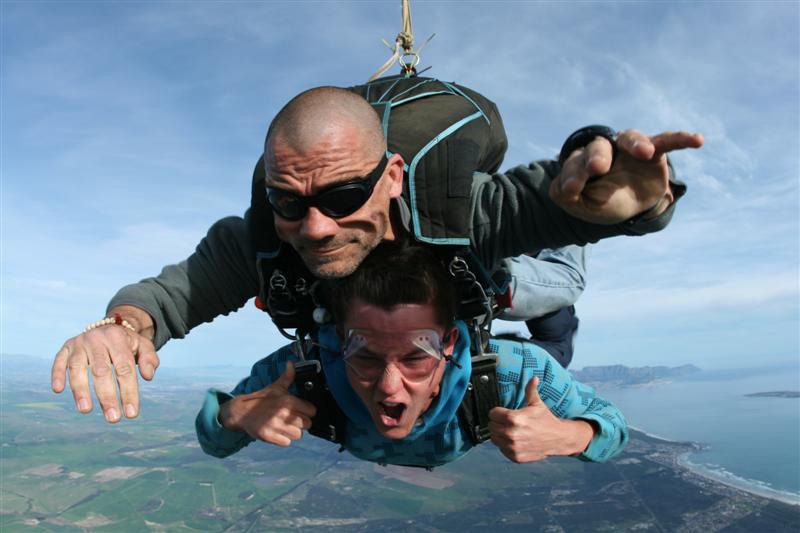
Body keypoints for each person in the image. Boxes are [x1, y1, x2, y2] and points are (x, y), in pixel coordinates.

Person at [51, 80, 704, 424]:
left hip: (493, 278)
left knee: (544, 289)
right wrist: (121, 326)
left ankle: (531, 304)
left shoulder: (461, 209)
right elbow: (170, 295)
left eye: (343, 196)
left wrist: (633, 197)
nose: (315, 228)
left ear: (392, 177)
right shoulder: (258, 240)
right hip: (438, 299)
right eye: (288, 202)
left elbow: (553, 199)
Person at [196, 242, 628, 467]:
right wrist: (233, 415)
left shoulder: (516, 372)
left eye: (415, 358)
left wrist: (566, 436)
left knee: (557, 326)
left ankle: (522, 265)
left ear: (450, 345)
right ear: (337, 342)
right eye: (366, 357)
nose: (389, 388)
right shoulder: (299, 373)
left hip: (497, 338)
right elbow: (214, 438)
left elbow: (611, 426)